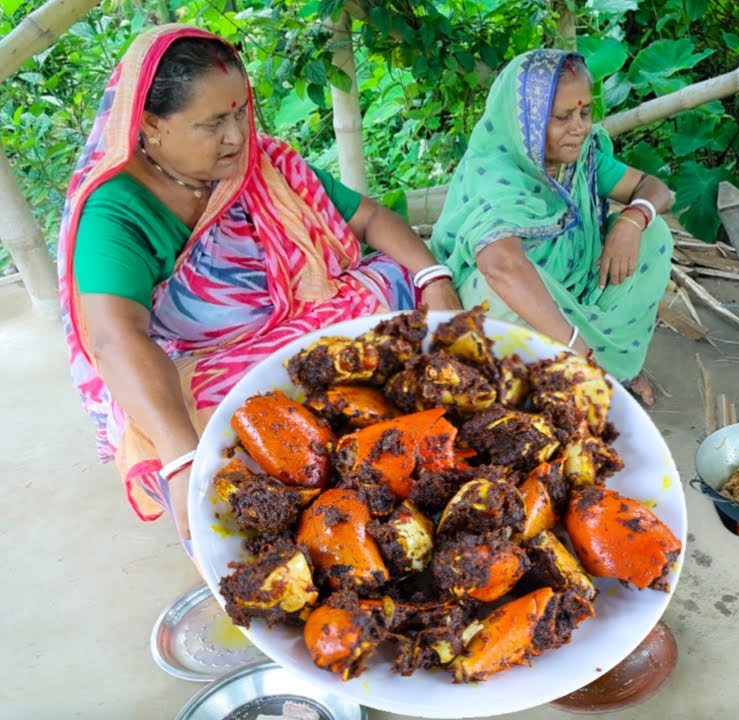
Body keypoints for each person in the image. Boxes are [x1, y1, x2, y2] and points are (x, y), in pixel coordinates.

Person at [57, 24, 462, 551]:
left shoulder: (265, 164)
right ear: (151, 124)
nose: (237, 136)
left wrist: (434, 279)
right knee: (221, 427)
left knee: (402, 281)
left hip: (308, 316)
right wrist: (183, 458)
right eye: (212, 124)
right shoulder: (117, 211)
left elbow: (369, 218)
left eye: (240, 112)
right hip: (213, 359)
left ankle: (401, 457)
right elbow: (116, 339)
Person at [429, 49, 675, 407]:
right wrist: (576, 348)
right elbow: (500, 265)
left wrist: (631, 220)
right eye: (563, 117)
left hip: (575, 289)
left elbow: (655, 189)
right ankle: (561, 382)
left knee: (654, 234)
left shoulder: (582, 156)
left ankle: (616, 368)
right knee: (498, 288)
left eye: (585, 112)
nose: (580, 127)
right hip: (514, 303)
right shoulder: (499, 172)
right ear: (525, 121)